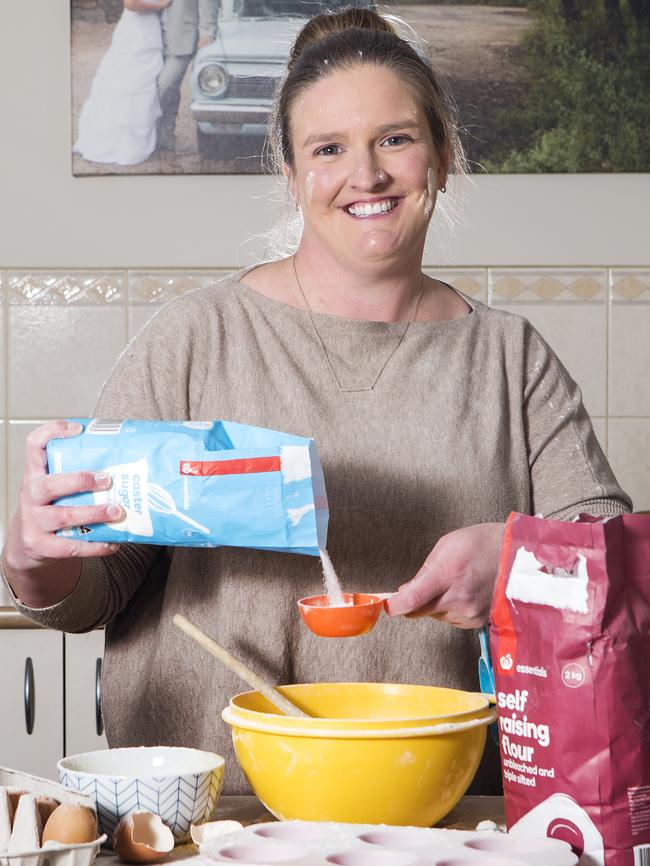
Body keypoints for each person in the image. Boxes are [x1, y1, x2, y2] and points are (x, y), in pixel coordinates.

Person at [2, 9, 630, 795]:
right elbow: (92, 591)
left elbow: (621, 565)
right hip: (216, 819)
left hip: (444, 813)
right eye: (328, 149)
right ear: (293, 176)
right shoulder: (194, 340)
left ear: (440, 156)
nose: (365, 175)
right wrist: (32, 561)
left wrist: (518, 561)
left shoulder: (511, 359)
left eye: (395, 139)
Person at [74, 0, 173, 166]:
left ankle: (140, 139)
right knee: (127, 81)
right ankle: (119, 143)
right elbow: (131, 4)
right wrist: (161, 5)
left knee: (144, 82)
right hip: (136, 30)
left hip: (150, 30)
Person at [157, 0, 219, 151]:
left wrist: (207, 31)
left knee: (163, 86)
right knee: (170, 88)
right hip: (153, 37)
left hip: (183, 35)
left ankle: (158, 135)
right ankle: (164, 137)